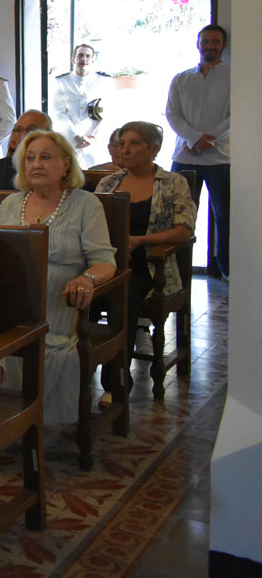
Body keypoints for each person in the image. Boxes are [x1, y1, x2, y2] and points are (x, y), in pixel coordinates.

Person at [0, 130, 116, 426]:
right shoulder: (11, 203)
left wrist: (86, 280)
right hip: (10, 302)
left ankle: (33, 422)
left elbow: (104, 262)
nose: (36, 164)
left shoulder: (86, 204)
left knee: (53, 348)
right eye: (30, 158)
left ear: (66, 165)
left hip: (58, 303)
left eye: (46, 157)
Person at [95, 121, 195, 359]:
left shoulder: (172, 182)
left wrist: (140, 240)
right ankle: (78, 370)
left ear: (154, 149)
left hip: (150, 267)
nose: (125, 150)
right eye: (121, 144)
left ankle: (116, 383)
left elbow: (184, 230)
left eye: (134, 143)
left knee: (123, 294)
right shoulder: (108, 182)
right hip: (108, 262)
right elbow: (91, 224)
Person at [166, 23, 230, 278]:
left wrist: (208, 141)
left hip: (221, 159)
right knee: (178, 217)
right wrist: (193, 139)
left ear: (223, 45)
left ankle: (227, 272)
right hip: (185, 157)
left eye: (215, 41)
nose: (210, 46)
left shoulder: (235, 76)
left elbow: (236, 116)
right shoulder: (182, 78)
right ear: (198, 44)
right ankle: (177, 273)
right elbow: (173, 114)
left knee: (225, 218)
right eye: (205, 41)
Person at [52, 44, 113, 168]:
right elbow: (58, 114)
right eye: (80, 55)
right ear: (73, 59)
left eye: (87, 56)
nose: (84, 59)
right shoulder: (61, 82)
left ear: (92, 60)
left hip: (95, 145)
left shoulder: (104, 82)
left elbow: (111, 114)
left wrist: (93, 137)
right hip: (69, 143)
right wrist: (74, 136)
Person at [0, 110, 51, 190]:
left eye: (32, 130)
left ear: (49, 135)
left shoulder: (54, 168)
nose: (23, 136)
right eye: (18, 130)